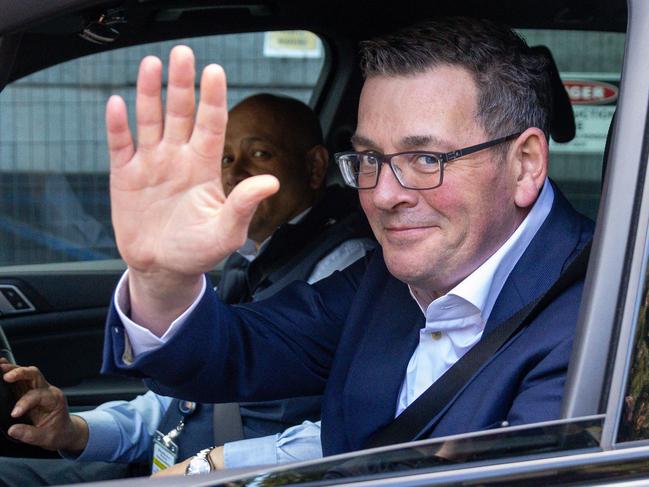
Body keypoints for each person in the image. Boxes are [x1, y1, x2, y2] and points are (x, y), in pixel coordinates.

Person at [26, 16, 597, 474]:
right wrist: (163, 276)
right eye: (371, 158)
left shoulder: (602, 315)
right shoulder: (388, 280)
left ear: (525, 164)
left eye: (427, 158)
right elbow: (233, 353)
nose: (383, 195)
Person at [0, 94, 374, 485]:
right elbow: (179, 398)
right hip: (169, 463)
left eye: (259, 153)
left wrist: (212, 465)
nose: (235, 172)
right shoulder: (246, 258)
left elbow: (347, 433)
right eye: (225, 159)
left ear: (315, 167)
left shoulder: (344, 267)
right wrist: (75, 430)